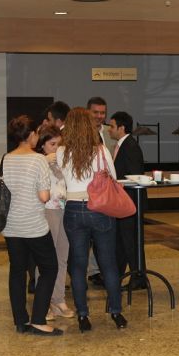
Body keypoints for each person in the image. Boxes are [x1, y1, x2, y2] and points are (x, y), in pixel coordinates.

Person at [0, 115, 62, 336]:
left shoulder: (4, 160)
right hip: (34, 226)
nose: (37, 137)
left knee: (17, 271)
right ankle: (38, 319)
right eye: (36, 133)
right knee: (49, 268)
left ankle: (20, 321)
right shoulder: (38, 160)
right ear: (31, 135)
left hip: (11, 226)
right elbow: (43, 196)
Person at [57, 107, 127, 332]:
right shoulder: (101, 150)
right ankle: (116, 312)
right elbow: (113, 177)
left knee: (78, 266)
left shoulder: (61, 152)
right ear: (89, 126)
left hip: (73, 210)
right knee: (108, 262)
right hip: (100, 209)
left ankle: (83, 316)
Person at [34, 125, 75, 320]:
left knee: (62, 256)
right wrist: (45, 160)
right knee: (45, 258)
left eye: (59, 144)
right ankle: (44, 302)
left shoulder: (63, 159)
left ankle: (58, 299)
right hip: (47, 210)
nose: (57, 148)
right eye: (52, 144)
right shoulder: (38, 161)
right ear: (42, 145)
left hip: (64, 209)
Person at [108, 111, 147, 290]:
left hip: (130, 203)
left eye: (112, 126)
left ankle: (138, 278)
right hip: (124, 203)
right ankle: (119, 277)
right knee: (123, 242)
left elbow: (134, 176)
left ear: (121, 128)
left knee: (131, 242)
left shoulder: (130, 146)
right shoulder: (122, 145)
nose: (109, 129)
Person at [85, 96, 115, 286]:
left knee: (102, 235)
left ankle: (96, 271)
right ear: (88, 112)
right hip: (85, 193)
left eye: (102, 113)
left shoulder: (109, 134)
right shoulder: (80, 133)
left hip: (105, 194)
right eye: (95, 112)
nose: (99, 116)